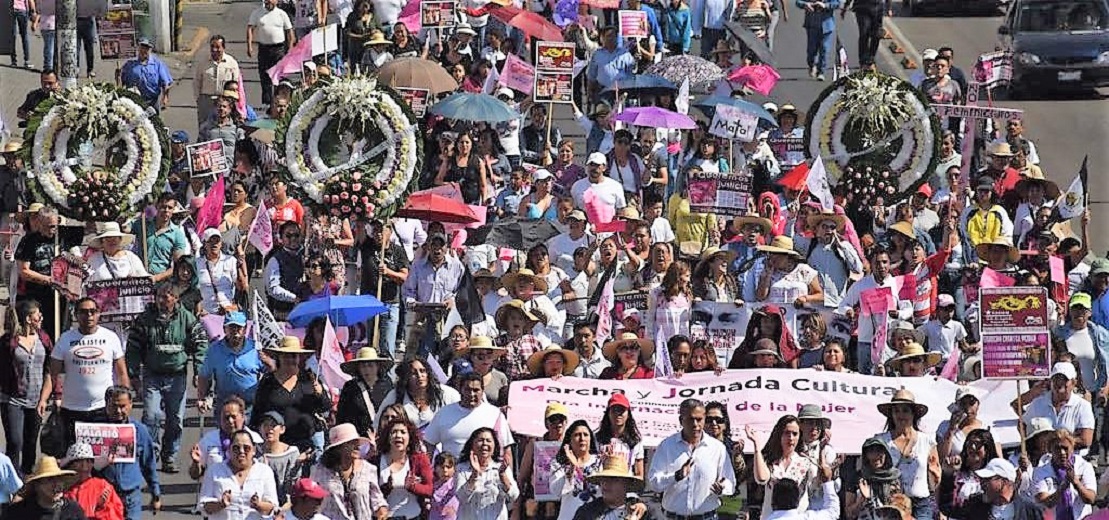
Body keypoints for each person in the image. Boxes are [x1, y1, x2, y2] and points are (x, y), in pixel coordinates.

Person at [126, 282, 207, 473]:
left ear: (176, 298)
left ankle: (170, 455)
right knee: (151, 416)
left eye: (168, 295)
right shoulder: (144, 320)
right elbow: (133, 348)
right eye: (160, 296)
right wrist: (133, 375)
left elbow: (201, 344)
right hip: (152, 376)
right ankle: (151, 455)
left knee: (176, 419)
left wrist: (199, 372)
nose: (163, 300)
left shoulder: (187, 319)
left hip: (177, 376)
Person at [43, 298, 129, 450]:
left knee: (103, 457)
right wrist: (43, 399)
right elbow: (52, 374)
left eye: (92, 311)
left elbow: (121, 373)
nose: (88, 315)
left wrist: (125, 402)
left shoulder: (110, 338)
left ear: (99, 314)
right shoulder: (65, 339)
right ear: (76, 315)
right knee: (73, 457)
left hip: (103, 409)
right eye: (83, 312)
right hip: (72, 409)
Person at [648, 398, 736, 516]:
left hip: (707, 517)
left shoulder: (717, 448)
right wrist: (675, 476)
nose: (695, 424)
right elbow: (654, 482)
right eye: (690, 419)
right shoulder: (667, 446)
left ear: (704, 420)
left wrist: (722, 489)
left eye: (699, 419)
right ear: (681, 420)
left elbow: (730, 482)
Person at [250, 337, 329, 455]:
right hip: (278, 447)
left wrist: (320, 393)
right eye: (286, 356)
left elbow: (325, 406)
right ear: (279, 358)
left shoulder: (309, 378)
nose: (290, 360)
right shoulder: (267, 382)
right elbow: (257, 414)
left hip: (307, 445)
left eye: (294, 356)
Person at [0, 300, 53, 475]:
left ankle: (28, 476)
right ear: (28, 318)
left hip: (36, 400)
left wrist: (45, 399)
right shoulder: (9, 342)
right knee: (15, 442)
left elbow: (49, 372)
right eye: (38, 314)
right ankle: (12, 483)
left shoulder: (44, 339)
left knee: (31, 443)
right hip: (12, 399)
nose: (41, 317)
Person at [875, 389, 941, 520]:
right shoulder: (881, 440)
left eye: (905, 410)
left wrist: (937, 507)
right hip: (893, 503)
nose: (901, 415)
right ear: (891, 414)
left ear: (913, 414)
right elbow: (873, 471)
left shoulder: (927, 441)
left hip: (921, 505)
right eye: (896, 410)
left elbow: (936, 476)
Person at [98, 386, 160, 519]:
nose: (119, 411)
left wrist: (156, 493)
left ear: (131, 405)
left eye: (123, 406)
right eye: (114, 406)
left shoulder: (139, 431)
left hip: (131, 496)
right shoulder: (96, 430)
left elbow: (149, 463)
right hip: (104, 495)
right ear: (106, 405)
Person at [425, 372, 514, 459]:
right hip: (451, 471)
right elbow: (429, 444)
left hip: (486, 472)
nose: (471, 394)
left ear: (482, 391)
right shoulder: (444, 413)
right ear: (460, 390)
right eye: (467, 389)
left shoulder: (495, 414)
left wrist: (508, 473)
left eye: (476, 390)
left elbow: (507, 450)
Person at [310, 423, 388, 520]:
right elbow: (311, 501)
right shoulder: (320, 471)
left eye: (357, 443)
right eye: (351, 443)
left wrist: (382, 512)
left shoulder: (368, 469)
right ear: (338, 448)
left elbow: (377, 499)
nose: (357, 447)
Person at [197, 429, 279, 520]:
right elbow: (204, 507)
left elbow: (272, 507)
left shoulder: (265, 471)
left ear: (254, 450)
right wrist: (221, 504)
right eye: (236, 448)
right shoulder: (214, 471)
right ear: (229, 450)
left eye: (246, 448)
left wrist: (258, 505)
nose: (241, 451)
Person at [197, 312, 268, 414]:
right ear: (224, 329)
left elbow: (270, 373)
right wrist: (202, 398)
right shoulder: (214, 350)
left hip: (251, 407)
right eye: (231, 327)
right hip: (225, 406)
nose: (235, 332)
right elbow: (204, 376)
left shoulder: (255, 348)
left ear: (245, 329)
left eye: (239, 328)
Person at [358, 220, 409, 356]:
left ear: (389, 231)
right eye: (375, 230)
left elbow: (404, 277)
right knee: (371, 347)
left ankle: (388, 376)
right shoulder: (367, 247)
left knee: (387, 346)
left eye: (381, 230)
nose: (378, 234)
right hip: (371, 302)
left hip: (390, 303)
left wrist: (388, 272)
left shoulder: (397, 251)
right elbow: (360, 225)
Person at [15, 206, 66, 342]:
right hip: (36, 297)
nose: (52, 230)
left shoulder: (61, 238)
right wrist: (49, 279)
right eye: (48, 226)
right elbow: (24, 271)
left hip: (58, 297)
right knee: (39, 334)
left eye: (54, 226)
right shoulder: (29, 241)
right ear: (39, 223)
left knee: (59, 333)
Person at [1020, 362, 1096, 453]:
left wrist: (1057, 445)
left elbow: (1086, 440)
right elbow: (1022, 424)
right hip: (1042, 461)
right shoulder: (1038, 403)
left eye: (1064, 379)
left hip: (1073, 459)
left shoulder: (1083, 406)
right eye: (1055, 379)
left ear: (1073, 382)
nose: (1059, 383)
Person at [189, 396, 265, 482]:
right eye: (226, 417)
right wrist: (196, 463)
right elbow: (194, 475)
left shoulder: (256, 440)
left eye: (233, 417)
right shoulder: (208, 440)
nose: (230, 421)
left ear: (243, 417)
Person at [453, 427, 520, 519]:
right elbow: (461, 497)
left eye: (488, 440)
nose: (485, 443)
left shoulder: (501, 468)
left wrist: (502, 476)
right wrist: (474, 475)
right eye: (480, 440)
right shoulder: (462, 468)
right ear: (472, 445)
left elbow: (514, 495)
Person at [377, 416, 434, 520]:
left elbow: (430, 489)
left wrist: (412, 486)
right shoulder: (376, 461)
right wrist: (385, 489)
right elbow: (369, 493)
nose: (398, 435)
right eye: (394, 432)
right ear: (387, 437)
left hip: (413, 517)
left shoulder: (419, 459)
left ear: (410, 437)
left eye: (403, 432)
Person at [377, 358, 461, 428]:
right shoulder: (395, 395)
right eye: (413, 373)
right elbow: (378, 422)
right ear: (406, 377)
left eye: (422, 371)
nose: (419, 375)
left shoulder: (448, 394)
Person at [938, 428, 1000, 520]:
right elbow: (945, 500)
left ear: (987, 449)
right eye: (970, 444)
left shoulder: (994, 475)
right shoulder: (958, 470)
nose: (973, 448)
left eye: (978, 445)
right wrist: (949, 473)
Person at [0, 456, 85, 520]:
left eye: (59, 479)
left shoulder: (73, 510)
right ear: (37, 486)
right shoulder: (18, 512)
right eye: (50, 480)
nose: (56, 484)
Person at [336, 347, 394, 437]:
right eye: (363, 366)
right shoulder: (350, 387)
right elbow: (342, 416)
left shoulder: (387, 385)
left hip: (384, 436)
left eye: (370, 365)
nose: (367, 370)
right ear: (358, 368)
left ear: (377, 366)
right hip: (358, 438)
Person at [247, 0, 295, 106]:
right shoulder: (257, 13)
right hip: (264, 48)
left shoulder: (282, 14)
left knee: (279, 77)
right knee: (265, 76)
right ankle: (267, 104)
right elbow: (250, 28)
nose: (269, 1)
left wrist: (290, 48)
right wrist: (249, 46)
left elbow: (289, 31)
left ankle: (280, 102)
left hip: (279, 49)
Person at [60, 442, 124, 520]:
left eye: (88, 461)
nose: (84, 466)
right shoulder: (61, 489)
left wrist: (101, 507)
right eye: (79, 461)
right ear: (70, 465)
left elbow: (117, 515)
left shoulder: (103, 486)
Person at [844, 437, 902, 520]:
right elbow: (849, 515)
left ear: (886, 453)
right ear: (865, 455)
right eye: (871, 451)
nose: (876, 455)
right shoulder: (858, 478)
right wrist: (862, 499)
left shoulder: (895, 477)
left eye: (879, 451)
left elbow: (901, 510)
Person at [137, 194, 189, 283]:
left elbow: (178, 265)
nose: (166, 210)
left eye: (170, 207)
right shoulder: (143, 225)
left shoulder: (177, 234)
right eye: (163, 207)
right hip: (139, 280)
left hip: (162, 283)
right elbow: (125, 229)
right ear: (156, 206)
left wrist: (157, 277)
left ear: (173, 210)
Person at [193, 35, 242, 124]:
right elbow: (197, 82)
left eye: (218, 47)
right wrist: (199, 100)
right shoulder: (203, 63)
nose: (214, 50)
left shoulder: (231, 63)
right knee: (205, 127)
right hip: (206, 100)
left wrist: (232, 102)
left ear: (223, 47)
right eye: (212, 47)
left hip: (225, 101)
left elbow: (236, 83)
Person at [118, 38, 174, 111]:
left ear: (150, 50)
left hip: (152, 102)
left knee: (153, 121)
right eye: (142, 47)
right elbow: (121, 82)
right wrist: (118, 75)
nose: (144, 51)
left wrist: (165, 97)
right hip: (134, 103)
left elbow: (166, 83)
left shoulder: (157, 64)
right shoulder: (130, 65)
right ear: (138, 48)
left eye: (146, 48)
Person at [257, 411, 300, 504]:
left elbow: (292, 486)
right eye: (265, 425)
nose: (269, 429)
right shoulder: (254, 451)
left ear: (282, 429)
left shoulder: (291, 453)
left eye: (273, 425)